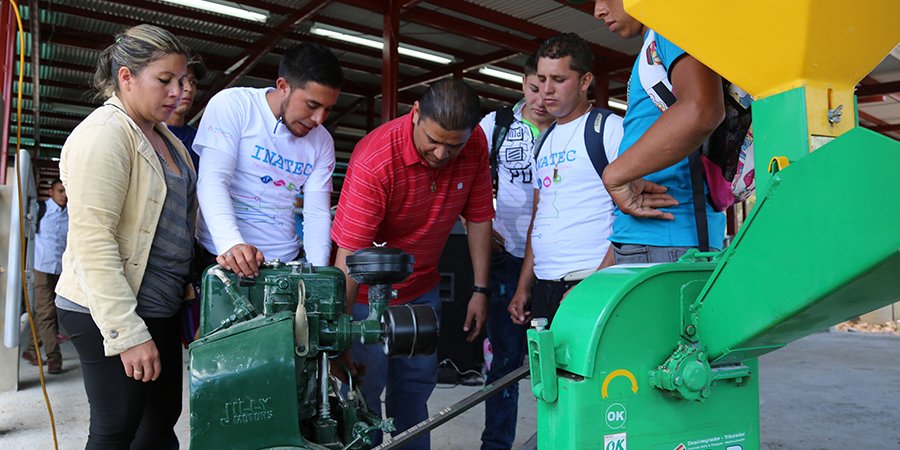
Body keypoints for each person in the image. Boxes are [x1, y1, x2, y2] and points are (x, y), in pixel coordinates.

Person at [331, 78, 492, 450]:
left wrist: (480, 289)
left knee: (415, 389)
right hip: (365, 296)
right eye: (432, 141)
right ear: (415, 112)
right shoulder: (376, 159)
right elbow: (350, 256)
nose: (440, 154)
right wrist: (340, 333)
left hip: (422, 290)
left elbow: (480, 216)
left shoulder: (475, 143)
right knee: (363, 391)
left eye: (453, 145)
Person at [55, 24, 195, 448]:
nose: (178, 91)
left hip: (158, 305)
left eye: (183, 80)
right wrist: (126, 334)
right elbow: (94, 240)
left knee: (159, 421)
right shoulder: (105, 135)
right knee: (118, 426)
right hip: (110, 308)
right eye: (165, 80)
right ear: (126, 77)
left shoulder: (165, 137)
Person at [592, 0, 726, 264]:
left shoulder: (671, 26)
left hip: (670, 240)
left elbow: (701, 109)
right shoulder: (655, 41)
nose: (598, 10)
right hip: (652, 238)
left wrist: (614, 174)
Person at [193, 42, 342, 277]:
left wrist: (317, 273)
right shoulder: (234, 105)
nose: (319, 118)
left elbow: (316, 214)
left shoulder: (322, 141)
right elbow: (213, 180)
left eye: (328, 109)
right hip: (222, 257)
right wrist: (232, 245)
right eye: (312, 105)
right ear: (283, 86)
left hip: (286, 262)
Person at [507, 33, 624, 326]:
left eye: (558, 80)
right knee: (547, 371)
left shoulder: (608, 130)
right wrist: (524, 286)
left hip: (592, 282)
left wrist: (596, 285)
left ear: (585, 81)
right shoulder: (543, 140)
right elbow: (540, 215)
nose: (546, 90)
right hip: (545, 285)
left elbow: (630, 214)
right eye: (542, 79)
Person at [476, 53, 553, 450]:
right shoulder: (497, 125)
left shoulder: (570, 128)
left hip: (557, 261)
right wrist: (479, 225)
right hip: (507, 260)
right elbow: (466, 176)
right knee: (504, 364)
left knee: (563, 363)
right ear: (522, 83)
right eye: (533, 87)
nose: (541, 98)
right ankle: (497, 445)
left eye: (549, 87)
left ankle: (563, 439)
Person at [22, 179, 68, 374]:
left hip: (60, 270)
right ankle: (54, 358)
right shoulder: (40, 209)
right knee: (46, 313)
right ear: (50, 192)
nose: (64, 195)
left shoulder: (71, 214)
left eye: (66, 191)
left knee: (52, 312)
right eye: (60, 191)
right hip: (41, 269)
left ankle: (31, 349)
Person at [165, 58, 207, 168]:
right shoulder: (144, 134)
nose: (189, 88)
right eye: (182, 80)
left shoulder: (200, 140)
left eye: (193, 82)